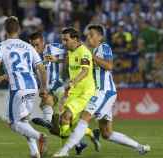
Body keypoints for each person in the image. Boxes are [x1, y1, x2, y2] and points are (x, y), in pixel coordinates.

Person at [53, 24, 151, 157]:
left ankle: (64, 151)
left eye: (92, 35)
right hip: (96, 92)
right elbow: (72, 60)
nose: (88, 37)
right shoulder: (85, 51)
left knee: (84, 117)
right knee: (106, 133)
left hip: (104, 90)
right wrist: (56, 60)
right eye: (88, 35)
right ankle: (140, 147)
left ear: (100, 37)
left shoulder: (103, 47)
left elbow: (109, 66)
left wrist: (92, 57)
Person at [28, 31, 100, 155]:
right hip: (47, 89)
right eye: (32, 45)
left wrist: (58, 59)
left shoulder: (54, 47)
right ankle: (83, 140)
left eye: (37, 44)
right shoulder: (30, 55)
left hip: (58, 87)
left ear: (43, 42)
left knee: (52, 106)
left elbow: (72, 50)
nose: (35, 48)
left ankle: (48, 121)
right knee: (58, 128)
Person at [0, 16, 48, 158]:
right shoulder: (29, 46)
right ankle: (34, 153)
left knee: (13, 123)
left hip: (18, 88)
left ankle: (40, 136)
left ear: (5, 30)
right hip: (32, 87)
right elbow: (42, 69)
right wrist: (44, 88)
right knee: (23, 121)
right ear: (19, 29)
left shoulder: (2, 46)